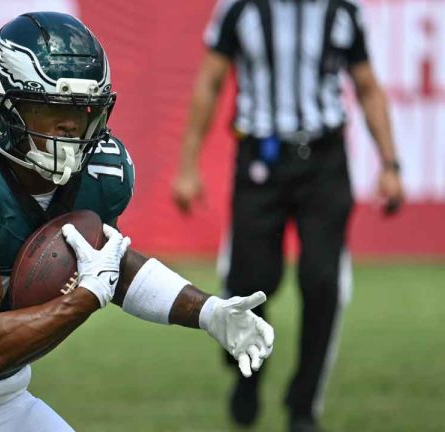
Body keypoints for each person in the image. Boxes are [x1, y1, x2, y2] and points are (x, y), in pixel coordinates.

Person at [0, 12, 274, 432]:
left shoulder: (102, 173)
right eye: (51, 110)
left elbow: (109, 263)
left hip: (3, 402)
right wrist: (85, 297)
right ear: (6, 109)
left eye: (83, 111)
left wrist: (209, 312)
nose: (70, 128)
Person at [172, 1, 404, 431]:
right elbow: (210, 80)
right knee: (250, 280)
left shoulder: (342, 9)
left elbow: (368, 86)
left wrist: (390, 164)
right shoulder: (240, 8)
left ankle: (303, 406)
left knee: (323, 282)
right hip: (261, 157)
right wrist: (188, 167)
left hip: (325, 160)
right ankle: (248, 370)